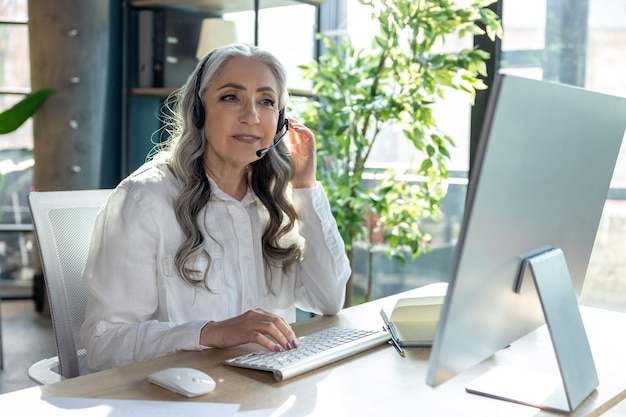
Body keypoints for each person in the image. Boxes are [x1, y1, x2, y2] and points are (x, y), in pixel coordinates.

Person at [79, 44, 351, 372]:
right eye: (230, 97)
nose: (251, 116)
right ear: (198, 111)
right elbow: (103, 344)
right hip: (177, 399)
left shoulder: (275, 202)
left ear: (279, 122)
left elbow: (328, 299)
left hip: (266, 391)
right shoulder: (145, 199)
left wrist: (306, 188)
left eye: (266, 101)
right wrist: (211, 333)